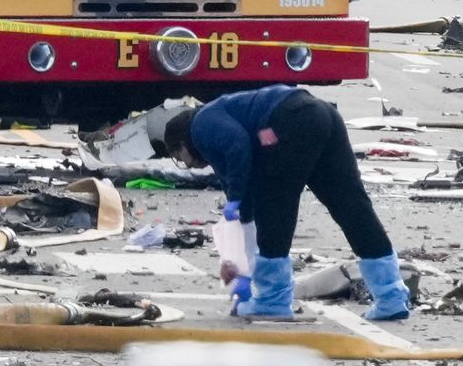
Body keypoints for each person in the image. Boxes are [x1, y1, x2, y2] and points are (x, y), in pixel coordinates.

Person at [164, 84, 410, 320]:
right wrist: (242, 267)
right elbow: (243, 196)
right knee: (351, 205)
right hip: (323, 114)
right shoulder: (224, 114)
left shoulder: (201, 124)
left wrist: (237, 200)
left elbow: (238, 148)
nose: (186, 165)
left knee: (274, 205)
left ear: (181, 142)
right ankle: (391, 296)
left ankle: (273, 300)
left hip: (290, 119)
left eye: (179, 157)